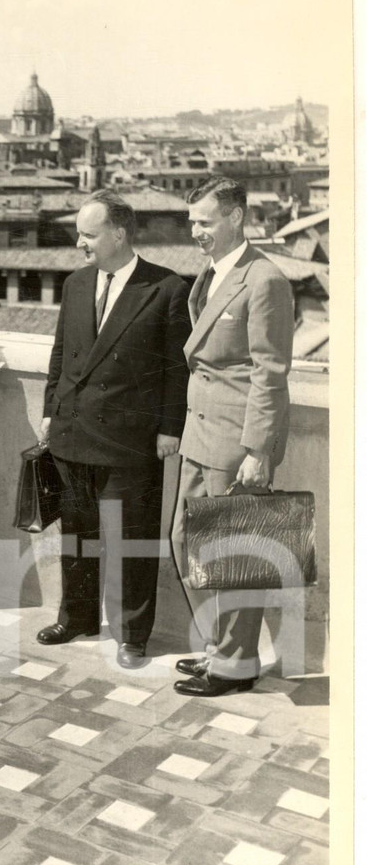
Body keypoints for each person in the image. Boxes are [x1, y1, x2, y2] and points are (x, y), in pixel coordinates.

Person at [38, 190, 191, 667]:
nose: (79, 243)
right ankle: (78, 617)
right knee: (77, 536)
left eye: (88, 234)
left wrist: (170, 429)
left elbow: (175, 369)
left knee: (133, 541)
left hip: (131, 441)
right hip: (72, 433)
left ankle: (132, 635)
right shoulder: (76, 284)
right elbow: (61, 354)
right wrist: (49, 409)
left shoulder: (166, 288)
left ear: (119, 233)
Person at [170, 177, 294, 697]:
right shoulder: (214, 273)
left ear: (237, 217)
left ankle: (236, 664)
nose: (196, 231)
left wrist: (258, 451)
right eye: (193, 221)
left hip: (236, 442)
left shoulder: (263, 279)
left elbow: (270, 371)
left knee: (236, 555)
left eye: (206, 221)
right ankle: (220, 648)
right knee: (189, 545)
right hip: (199, 433)